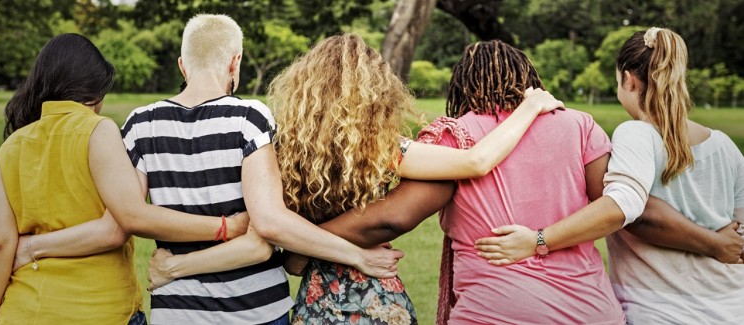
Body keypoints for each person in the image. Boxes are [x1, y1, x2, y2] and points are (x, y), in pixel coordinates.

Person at [1, 17, 403, 325]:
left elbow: (122, 218)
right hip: (255, 310)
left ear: (181, 64)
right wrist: (358, 256)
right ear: (235, 62)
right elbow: (270, 223)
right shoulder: (249, 117)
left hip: (177, 309)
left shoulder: (140, 124)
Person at [142, 33, 563, 324]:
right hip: (377, 294)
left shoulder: (282, 150)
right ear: (376, 89)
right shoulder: (381, 148)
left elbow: (279, 242)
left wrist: (301, 254)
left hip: (315, 300)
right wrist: (529, 107)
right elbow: (475, 161)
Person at [476, 28, 744, 324]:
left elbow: (628, 206)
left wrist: (539, 240)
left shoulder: (637, 133)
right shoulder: (724, 145)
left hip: (662, 309)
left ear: (628, 79)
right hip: (731, 305)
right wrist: (717, 243)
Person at [0, 33, 258, 325]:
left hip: (22, 311)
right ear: (95, 92)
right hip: (98, 310)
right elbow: (125, 221)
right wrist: (227, 226)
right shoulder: (97, 130)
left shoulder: (11, 146)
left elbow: (1, 243)